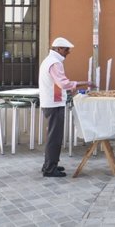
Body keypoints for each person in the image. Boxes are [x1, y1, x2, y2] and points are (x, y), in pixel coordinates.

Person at [39, 37, 94, 178]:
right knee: (54, 138)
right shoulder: (55, 63)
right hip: (54, 104)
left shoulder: (49, 61)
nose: (68, 52)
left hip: (52, 102)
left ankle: (50, 164)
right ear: (58, 49)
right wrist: (84, 83)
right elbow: (63, 83)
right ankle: (50, 169)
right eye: (66, 49)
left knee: (53, 136)